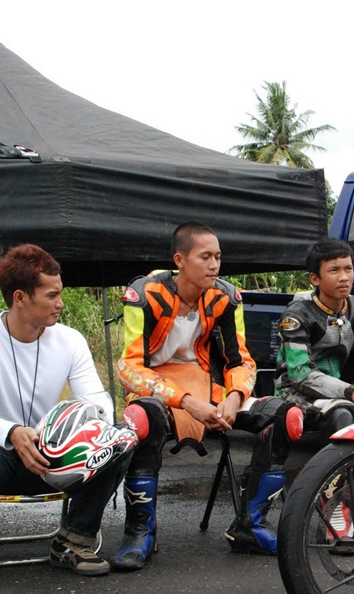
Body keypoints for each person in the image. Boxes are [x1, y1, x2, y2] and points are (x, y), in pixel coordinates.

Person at [0, 244, 127, 589]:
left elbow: (98, 401)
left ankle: (74, 542)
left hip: (51, 459)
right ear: (20, 297)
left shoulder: (69, 340)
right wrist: (12, 432)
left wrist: (70, 428)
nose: (61, 303)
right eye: (52, 295)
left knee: (119, 438)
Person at [114, 222, 302, 566]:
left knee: (285, 417)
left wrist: (233, 397)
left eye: (218, 256)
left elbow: (241, 360)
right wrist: (185, 401)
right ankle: (140, 531)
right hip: (157, 390)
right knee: (143, 419)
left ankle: (250, 525)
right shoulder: (144, 294)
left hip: (209, 385)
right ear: (180, 260)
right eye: (205, 257)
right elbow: (129, 369)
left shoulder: (226, 296)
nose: (215, 264)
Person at [274, 239, 354, 440]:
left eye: (348, 269)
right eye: (334, 270)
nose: (344, 278)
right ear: (315, 278)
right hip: (297, 392)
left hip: (342, 388)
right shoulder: (295, 316)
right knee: (344, 414)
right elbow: (301, 375)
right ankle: (338, 471)